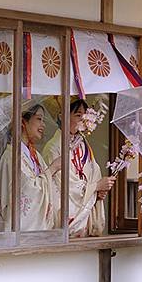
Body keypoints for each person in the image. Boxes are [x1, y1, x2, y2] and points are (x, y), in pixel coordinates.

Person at [42, 98, 115, 238]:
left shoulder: (83, 145)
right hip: (67, 215)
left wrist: (98, 191)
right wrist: (95, 187)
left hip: (85, 218)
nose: (83, 119)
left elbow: (94, 172)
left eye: (84, 115)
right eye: (78, 115)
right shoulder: (53, 148)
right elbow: (65, 185)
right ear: (62, 116)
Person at [0, 104, 61, 232]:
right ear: (23, 122)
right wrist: (52, 169)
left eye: (43, 120)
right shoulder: (12, 155)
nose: (43, 125)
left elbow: (42, 185)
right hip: (22, 230)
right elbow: (28, 190)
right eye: (39, 119)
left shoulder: (34, 155)